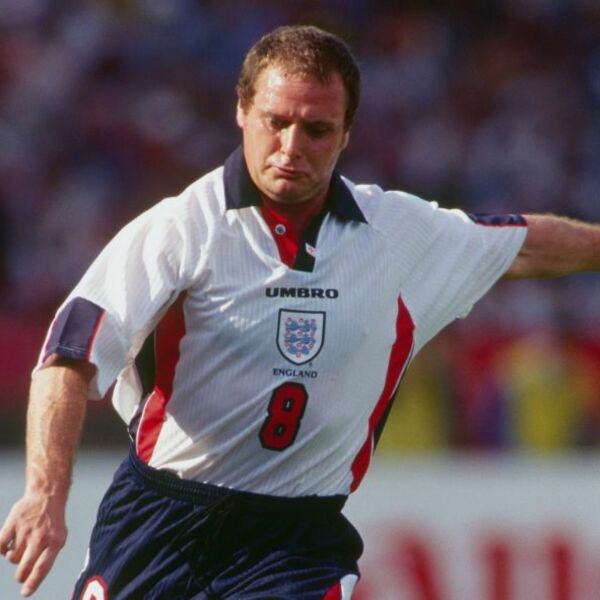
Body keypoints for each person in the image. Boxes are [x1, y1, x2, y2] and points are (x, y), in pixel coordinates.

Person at [1, 24, 599, 599]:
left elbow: (523, 245)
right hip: (159, 521)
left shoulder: (397, 234)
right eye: (277, 122)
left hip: (294, 543)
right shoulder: (180, 230)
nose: (292, 148)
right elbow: (67, 359)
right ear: (242, 111)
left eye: (316, 130)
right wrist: (45, 494)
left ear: (346, 134)